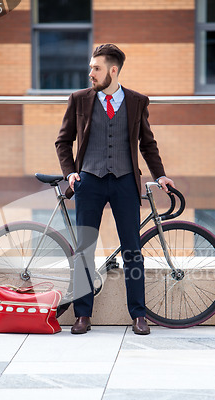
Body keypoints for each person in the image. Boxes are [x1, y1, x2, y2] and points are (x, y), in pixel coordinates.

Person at [55, 43, 175, 335]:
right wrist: (71, 173)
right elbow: (63, 141)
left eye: (95, 68)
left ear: (113, 70)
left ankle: (138, 315)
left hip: (124, 182)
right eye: (90, 68)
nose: (90, 74)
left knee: (133, 251)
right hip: (89, 181)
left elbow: (147, 143)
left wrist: (160, 176)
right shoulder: (79, 100)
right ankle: (82, 315)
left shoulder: (136, 101)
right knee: (85, 250)